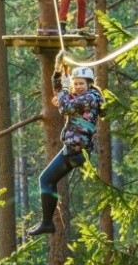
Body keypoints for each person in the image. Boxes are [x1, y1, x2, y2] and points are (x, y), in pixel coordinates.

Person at [26, 53, 105, 236]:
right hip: (71, 150)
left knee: (45, 180)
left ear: (89, 84)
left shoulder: (89, 98)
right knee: (48, 180)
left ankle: (47, 223)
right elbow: (60, 94)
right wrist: (57, 71)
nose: (77, 87)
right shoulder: (81, 96)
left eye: (81, 84)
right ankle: (46, 223)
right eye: (75, 84)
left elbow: (64, 107)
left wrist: (63, 93)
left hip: (74, 151)